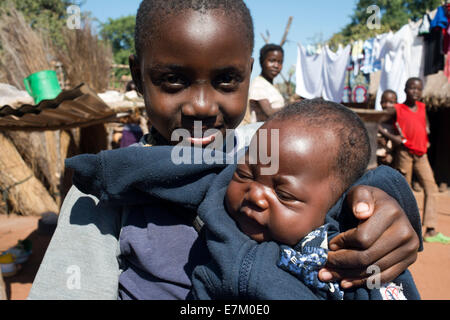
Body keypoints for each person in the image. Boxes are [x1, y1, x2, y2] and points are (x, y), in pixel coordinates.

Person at [29, 0, 421, 300]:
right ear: (137, 76)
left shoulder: (266, 147)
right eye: (172, 79)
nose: (201, 105)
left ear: (249, 76)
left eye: (226, 80)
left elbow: (353, 176)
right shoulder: (106, 192)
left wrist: (389, 200)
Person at [189, 99, 420, 300]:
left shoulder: (354, 261)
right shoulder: (218, 203)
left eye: (284, 195)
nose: (256, 195)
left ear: (335, 204)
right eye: (246, 174)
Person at [379, 77, 450, 244]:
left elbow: (425, 125)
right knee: (404, 188)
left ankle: (430, 229)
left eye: (418, 89)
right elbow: (379, 123)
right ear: (405, 90)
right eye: (412, 88)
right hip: (405, 153)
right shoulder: (398, 109)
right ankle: (398, 229)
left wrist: (425, 137)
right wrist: (393, 138)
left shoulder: (423, 108)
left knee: (431, 188)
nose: (415, 92)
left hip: (421, 154)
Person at [247, 44, 286, 123]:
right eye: (272, 61)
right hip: (263, 133)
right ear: (262, 61)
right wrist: (291, 107)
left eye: (280, 62)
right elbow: (269, 113)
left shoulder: (270, 85)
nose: (276, 65)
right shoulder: (258, 84)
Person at [377, 90, 398, 166]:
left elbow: (399, 142)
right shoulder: (375, 118)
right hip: (377, 157)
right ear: (380, 103)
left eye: (391, 102)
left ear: (396, 104)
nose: (387, 105)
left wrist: (391, 154)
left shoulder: (398, 120)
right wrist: (378, 140)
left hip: (393, 158)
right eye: (384, 102)